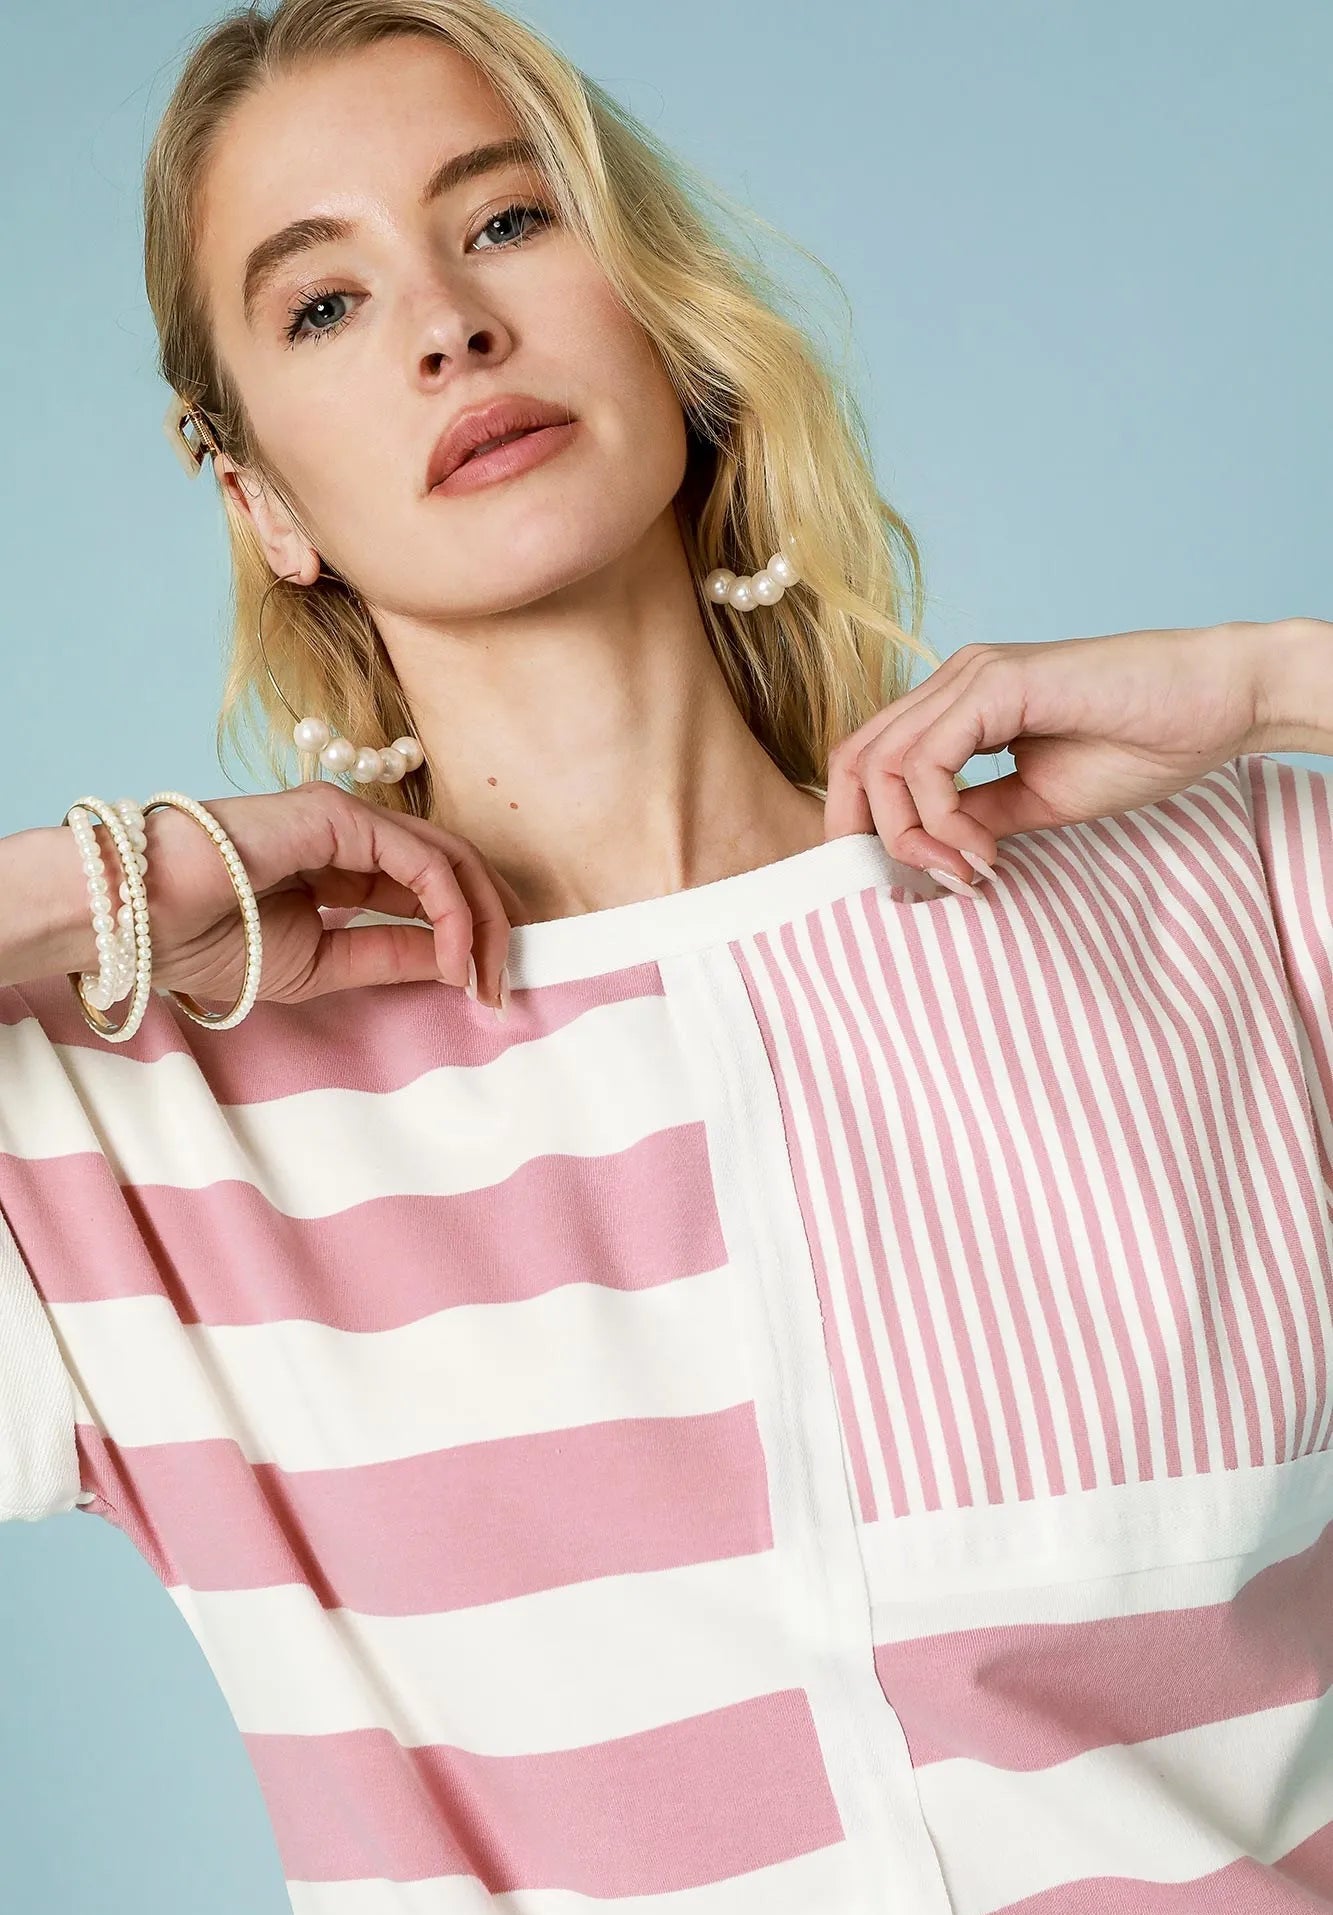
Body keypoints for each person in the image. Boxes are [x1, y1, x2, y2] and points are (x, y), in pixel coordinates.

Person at [2, 1, 1331, 1910]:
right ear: (258, 499)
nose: (447, 325)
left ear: (663, 311)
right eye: (320, 306)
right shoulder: (129, 1130)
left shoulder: (1227, 903)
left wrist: (1285, 679)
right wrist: (86, 892)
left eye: (510, 220)